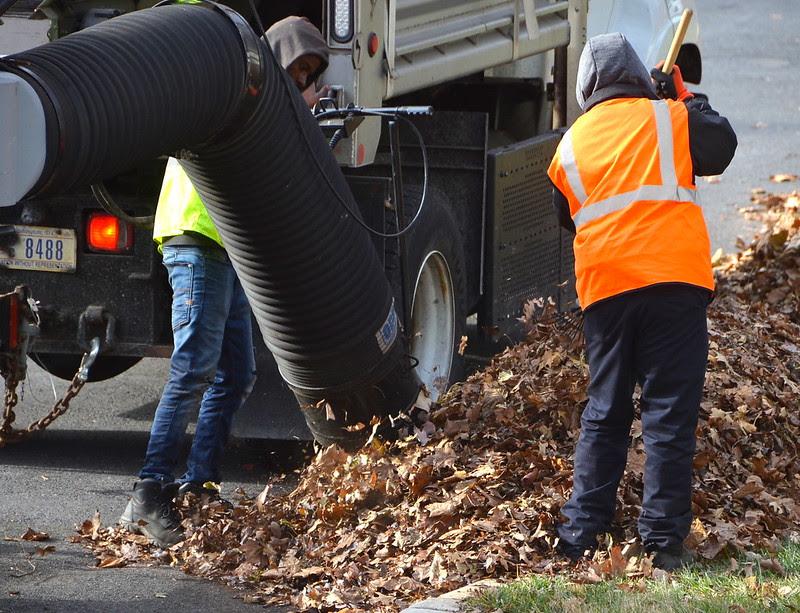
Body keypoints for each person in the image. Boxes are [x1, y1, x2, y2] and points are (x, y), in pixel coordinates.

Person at [119, 16, 330, 548]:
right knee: (193, 367)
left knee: (236, 373)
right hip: (195, 238)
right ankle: (149, 493)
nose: (304, 85)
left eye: (311, 76)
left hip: (224, 247)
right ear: (277, 67)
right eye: (297, 73)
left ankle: (200, 484)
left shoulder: (271, 109)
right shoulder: (242, 96)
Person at [547, 33, 737, 570]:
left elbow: (568, 217)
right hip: (674, 283)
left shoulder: (569, 146)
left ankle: (580, 537)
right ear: (637, 75)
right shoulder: (669, 118)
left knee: (605, 413)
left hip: (607, 292)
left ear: (587, 89)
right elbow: (722, 143)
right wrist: (682, 97)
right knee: (668, 416)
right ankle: (661, 545)